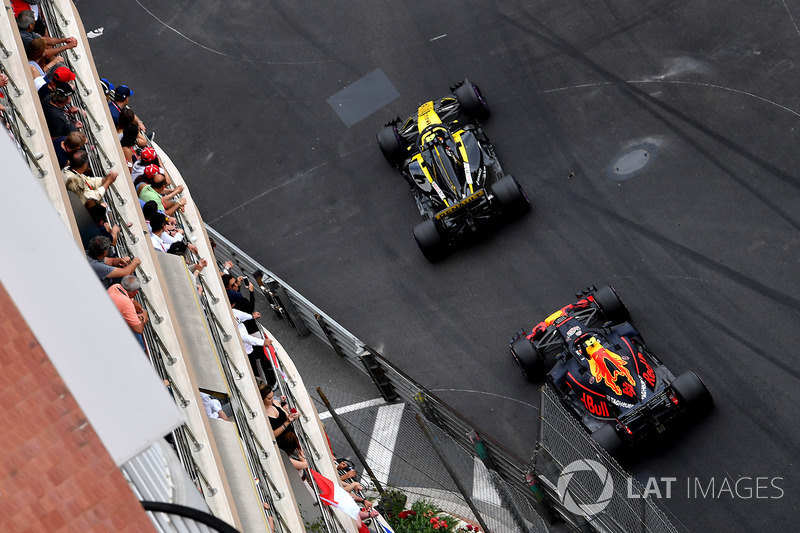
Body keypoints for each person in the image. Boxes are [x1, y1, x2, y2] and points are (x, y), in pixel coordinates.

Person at [107, 275, 149, 351]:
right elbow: (139, 329)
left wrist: (143, 311)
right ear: (136, 291)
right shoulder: (126, 303)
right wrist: (143, 318)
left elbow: (132, 301)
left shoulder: (116, 287)